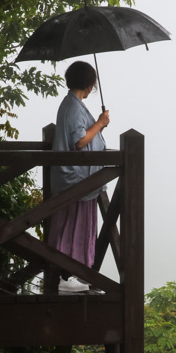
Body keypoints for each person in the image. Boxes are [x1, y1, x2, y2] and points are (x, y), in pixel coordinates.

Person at [48, 61, 110, 294]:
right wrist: (101, 123)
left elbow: (83, 135)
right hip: (76, 179)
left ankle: (70, 275)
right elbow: (79, 141)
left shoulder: (71, 104)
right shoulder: (73, 107)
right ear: (90, 84)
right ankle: (65, 276)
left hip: (74, 178)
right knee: (74, 228)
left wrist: (98, 127)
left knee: (72, 226)